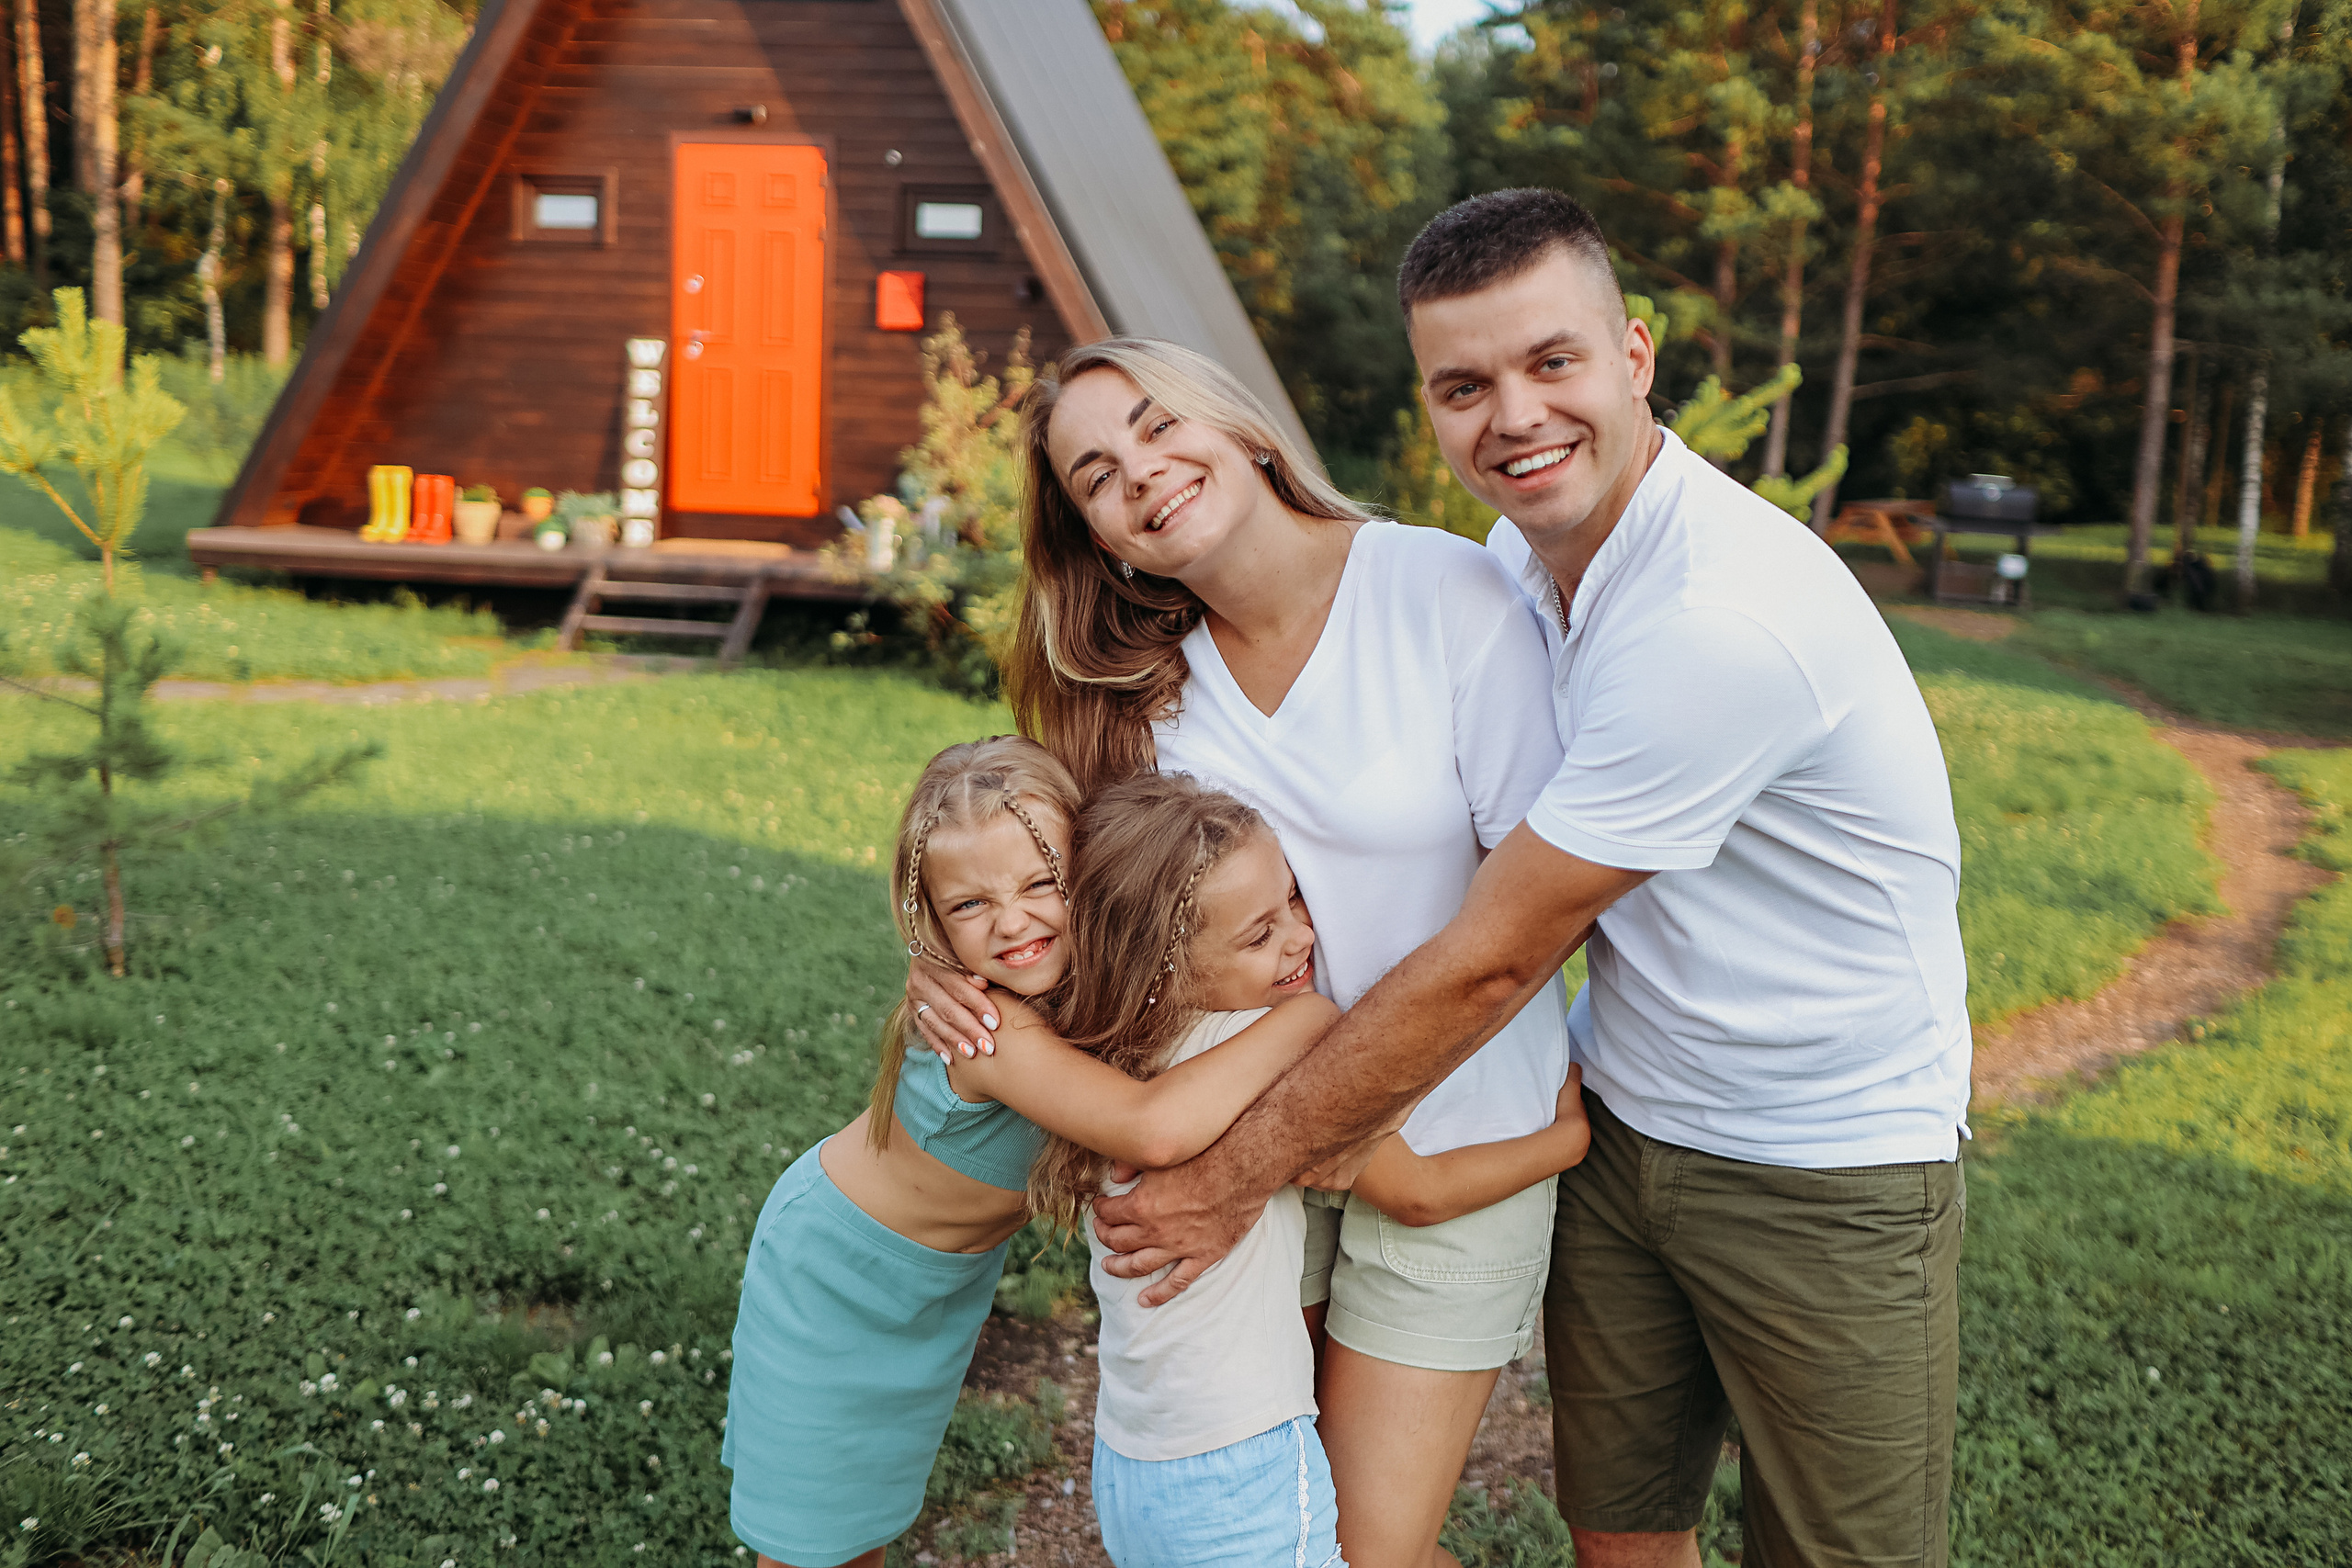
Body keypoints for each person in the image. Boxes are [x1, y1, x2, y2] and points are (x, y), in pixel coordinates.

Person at [1090, 187, 1973, 1568]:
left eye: (1551, 363)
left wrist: (1236, 1170)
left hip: (1823, 1153)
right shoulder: (1518, 563)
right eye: (1464, 384)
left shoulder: (1715, 617)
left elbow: (1500, 951)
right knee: (1623, 1535)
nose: (1513, 415)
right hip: (1621, 1115)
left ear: (1635, 354)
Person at [907, 337, 1577, 1566]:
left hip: (1450, 1128)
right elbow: (1050, 893)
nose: (1143, 475)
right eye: (1098, 475)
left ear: (1244, 427)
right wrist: (953, 964)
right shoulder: (1140, 690)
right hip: (1252, 1146)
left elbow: (1540, 912)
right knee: (1297, 1529)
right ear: (1100, 534)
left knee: (1368, 1546)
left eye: (1160, 428)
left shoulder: (1443, 593)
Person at [723, 737, 1332, 1568]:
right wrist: (1306, 1016)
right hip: (835, 1274)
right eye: (970, 905)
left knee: (865, 1515)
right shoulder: (989, 1027)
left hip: (937, 1280)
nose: (1013, 922)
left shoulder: (1081, 979)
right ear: (931, 918)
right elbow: (1151, 1126)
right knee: (811, 1543)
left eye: (1042, 883)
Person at [1036, 772, 1591, 1567]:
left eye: (1293, 901)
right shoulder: (1261, 1060)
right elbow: (1416, 1190)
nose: (1301, 938)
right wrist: (1564, 1142)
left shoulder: (1096, 1060)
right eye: (1259, 935)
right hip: (1242, 1466)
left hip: (1131, 1459)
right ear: (1165, 964)